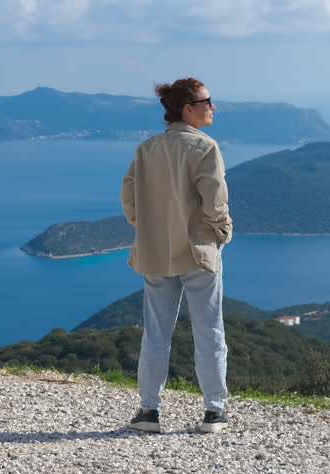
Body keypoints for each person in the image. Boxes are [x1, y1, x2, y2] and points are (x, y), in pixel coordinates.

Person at [120, 77, 232, 434]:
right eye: (207, 101)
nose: (213, 106)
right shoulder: (204, 147)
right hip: (198, 250)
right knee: (209, 331)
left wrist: (147, 226)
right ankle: (214, 412)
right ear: (188, 108)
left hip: (155, 251)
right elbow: (214, 200)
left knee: (155, 333)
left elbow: (129, 196)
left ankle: (148, 412)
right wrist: (222, 231)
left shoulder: (147, 148)